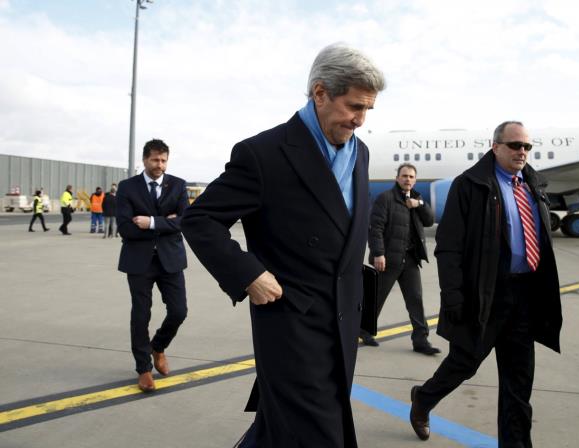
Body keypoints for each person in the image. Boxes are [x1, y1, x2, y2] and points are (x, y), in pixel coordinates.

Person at [181, 43, 385, 448]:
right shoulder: (264, 154)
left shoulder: (359, 153)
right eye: (354, 106)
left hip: (343, 320)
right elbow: (200, 219)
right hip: (292, 321)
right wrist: (249, 274)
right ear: (320, 93)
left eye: (368, 109)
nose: (360, 119)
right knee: (318, 434)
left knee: (283, 431)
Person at [409, 121, 562, 446]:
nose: (522, 152)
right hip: (485, 296)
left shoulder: (533, 184)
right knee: (463, 364)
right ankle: (423, 399)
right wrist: (453, 296)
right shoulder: (470, 185)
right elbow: (448, 246)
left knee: (518, 385)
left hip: (525, 297)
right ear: (495, 147)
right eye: (515, 145)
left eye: (527, 146)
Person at [116, 139, 189, 392]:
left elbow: (185, 221)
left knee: (179, 311)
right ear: (145, 160)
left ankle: (158, 346)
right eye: (155, 160)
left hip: (171, 259)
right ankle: (143, 368)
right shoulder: (127, 187)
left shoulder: (178, 185)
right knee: (140, 314)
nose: (160, 165)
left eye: (164, 160)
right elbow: (125, 228)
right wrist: (168, 222)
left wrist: (151, 222)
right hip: (139, 261)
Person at [360, 163, 440, 355]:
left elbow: (429, 221)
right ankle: (364, 330)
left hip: (411, 260)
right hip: (389, 259)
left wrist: (419, 205)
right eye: (404, 176)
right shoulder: (385, 199)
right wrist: (378, 253)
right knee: (377, 298)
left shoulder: (417, 199)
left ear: (415, 180)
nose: (407, 179)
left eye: (411, 177)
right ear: (397, 178)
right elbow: (375, 228)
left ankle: (421, 341)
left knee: (415, 300)